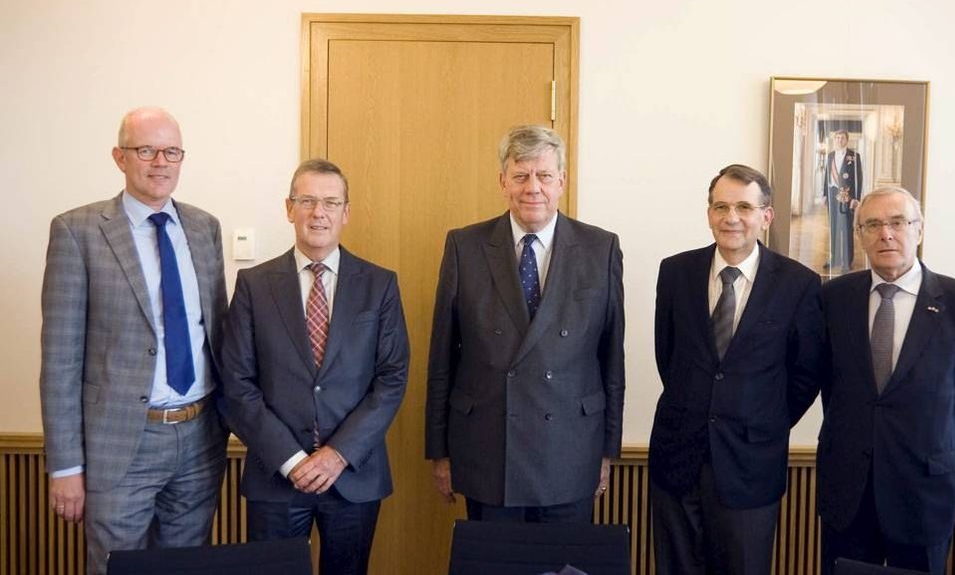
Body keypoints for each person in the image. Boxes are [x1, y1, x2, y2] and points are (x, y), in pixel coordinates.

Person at [40, 107, 229, 575]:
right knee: (115, 568)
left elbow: (218, 335)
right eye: (146, 150)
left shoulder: (204, 229)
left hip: (199, 438)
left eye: (172, 151)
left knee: (185, 568)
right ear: (119, 157)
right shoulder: (77, 232)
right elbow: (60, 360)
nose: (160, 162)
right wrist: (65, 467)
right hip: (123, 444)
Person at [425, 125, 625, 523]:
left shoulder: (600, 248)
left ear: (562, 182)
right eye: (521, 176)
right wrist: (439, 449)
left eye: (544, 176)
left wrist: (607, 449)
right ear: (503, 182)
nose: (533, 187)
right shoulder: (465, 246)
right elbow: (442, 356)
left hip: (570, 449)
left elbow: (611, 357)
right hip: (488, 449)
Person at [218, 159, 409, 575]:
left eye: (329, 202)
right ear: (289, 209)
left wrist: (337, 455)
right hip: (276, 475)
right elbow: (236, 384)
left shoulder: (380, 285)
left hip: (353, 475)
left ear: (346, 212)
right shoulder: (254, 286)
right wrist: (292, 459)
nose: (318, 213)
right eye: (307, 201)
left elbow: (391, 379)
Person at [648, 164, 824, 575]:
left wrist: (763, 419)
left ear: (766, 215)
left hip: (751, 463)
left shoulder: (798, 283)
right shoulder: (675, 272)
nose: (731, 217)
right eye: (721, 206)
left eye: (744, 207)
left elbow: (806, 374)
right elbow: (667, 356)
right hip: (677, 458)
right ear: (709, 212)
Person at [816, 186, 955, 575]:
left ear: (920, 229)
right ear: (859, 233)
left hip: (925, 494)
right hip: (848, 493)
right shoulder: (833, 299)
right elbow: (831, 389)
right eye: (874, 224)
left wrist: (947, 470)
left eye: (898, 222)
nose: (886, 234)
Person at [823, 130, 863, 273]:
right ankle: (834, 258)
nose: (839, 140)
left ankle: (847, 260)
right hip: (833, 194)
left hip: (847, 195)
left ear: (847, 140)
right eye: (837, 138)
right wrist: (824, 194)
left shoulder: (854, 156)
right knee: (833, 227)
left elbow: (859, 179)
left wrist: (856, 198)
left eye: (842, 138)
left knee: (846, 228)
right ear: (835, 140)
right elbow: (827, 176)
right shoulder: (830, 156)